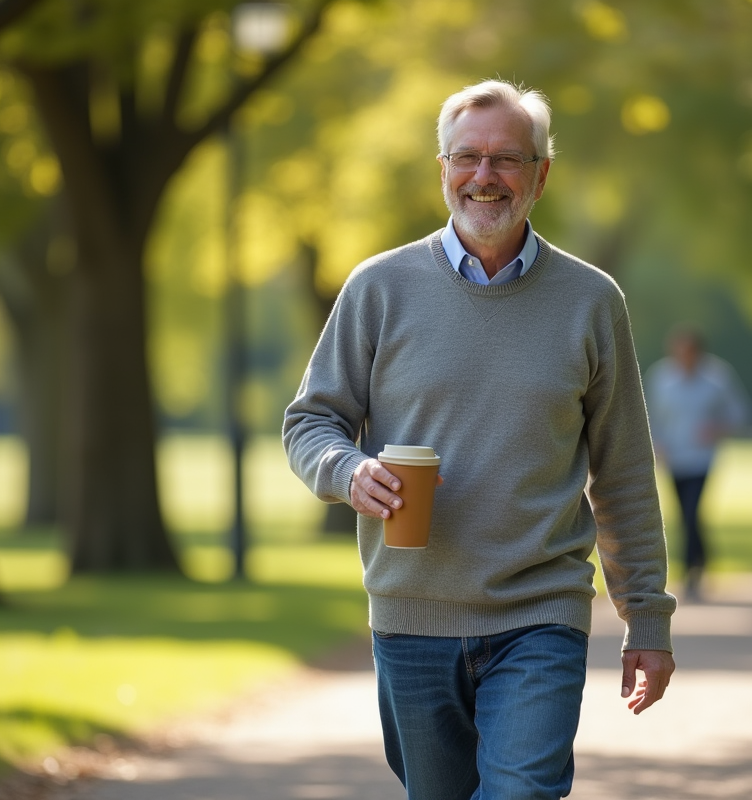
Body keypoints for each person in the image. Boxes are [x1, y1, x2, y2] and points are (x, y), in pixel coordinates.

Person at [283, 79, 675, 799]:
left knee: (521, 792)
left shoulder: (592, 302)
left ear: (541, 174)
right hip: (411, 611)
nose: (485, 177)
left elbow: (620, 473)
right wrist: (346, 471)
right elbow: (311, 421)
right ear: (442, 170)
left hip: (540, 611)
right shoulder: (378, 288)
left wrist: (645, 616)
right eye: (467, 157)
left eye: (507, 159)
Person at [645, 324, 749, 602]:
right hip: (674, 459)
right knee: (684, 515)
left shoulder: (717, 377)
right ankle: (701, 561)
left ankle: (691, 572)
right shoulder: (661, 378)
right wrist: (657, 443)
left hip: (702, 459)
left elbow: (738, 413)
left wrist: (716, 428)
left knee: (692, 512)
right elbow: (651, 417)